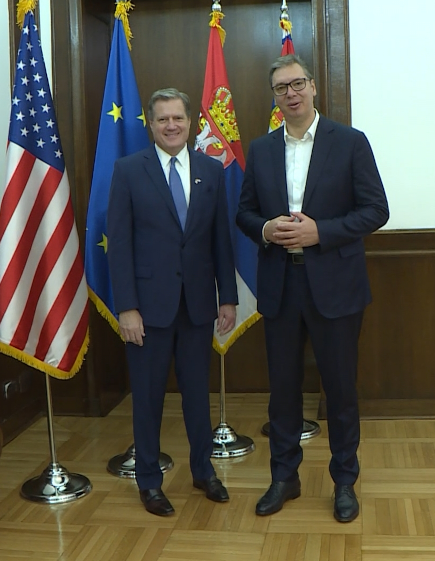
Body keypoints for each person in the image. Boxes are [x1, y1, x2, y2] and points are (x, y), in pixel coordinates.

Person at [236, 54, 389, 522]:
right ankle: (284, 477)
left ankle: (344, 482)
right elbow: (244, 213)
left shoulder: (350, 142)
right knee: (282, 390)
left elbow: (376, 210)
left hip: (335, 286)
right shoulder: (261, 149)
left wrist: (321, 231)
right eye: (281, 88)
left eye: (298, 83)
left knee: (339, 390)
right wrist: (266, 229)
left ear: (314, 87)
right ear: (275, 97)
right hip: (280, 284)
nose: (291, 93)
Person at [107, 88, 238, 516]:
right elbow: (119, 245)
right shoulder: (129, 170)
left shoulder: (210, 170)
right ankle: (149, 481)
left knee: (197, 395)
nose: (171, 125)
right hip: (147, 309)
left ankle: (203, 471)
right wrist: (126, 307)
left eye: (178, 118)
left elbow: (220, 239)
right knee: (148, 399)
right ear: (151, 124)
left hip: (197, 305)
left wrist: (228, 297)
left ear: (190, 122)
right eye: (162, 119)